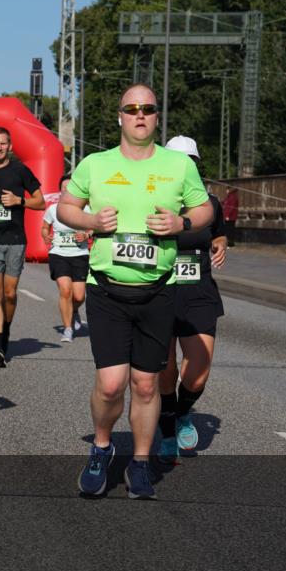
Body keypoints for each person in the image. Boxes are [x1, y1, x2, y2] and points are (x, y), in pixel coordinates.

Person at [57, 83, 213, 499]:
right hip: (107, 290)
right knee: (111, 384)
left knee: (146, 385)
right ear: (120, 116)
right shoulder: (95, 164)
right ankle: (102, 448)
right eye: (132, 109)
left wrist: (181, 224)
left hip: (158, 290)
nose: (140, 115)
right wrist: (91, 223)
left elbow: (204, 209)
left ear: (157, 117)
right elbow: (64, 207)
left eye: (148, 109)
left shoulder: (179, 166)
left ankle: (140, 463)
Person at [157, 136, 228, 464]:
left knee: (199, 367)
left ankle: (180, 412)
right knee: (166, 365)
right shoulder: (154, 199)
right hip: (160, 288)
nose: (186, 166)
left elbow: (219, 231)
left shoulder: (210, 203)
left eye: (192, 161)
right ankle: (168, 429)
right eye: (179, 160)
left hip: (198, 290)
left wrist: (221, 242)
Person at [0, 127, 45, 366]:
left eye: (3, 144)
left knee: (9, 294)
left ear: (10, 146)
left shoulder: (20, 170)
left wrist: (18, 200)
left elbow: (40, 201)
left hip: (14, 240)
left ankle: (5, 331)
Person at [42, 175, 91, 343]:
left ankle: (74, 311)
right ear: (60, 190)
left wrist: (86, 234)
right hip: (58, 254)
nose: (67, 190)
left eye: (70, 188)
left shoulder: (86, 209)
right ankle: (68, 329)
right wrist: (45, 236)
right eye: (64, 188)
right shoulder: (53, 209)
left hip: (80, 255)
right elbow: (44, 227)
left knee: (78, 297)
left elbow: (93, 228)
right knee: (65, 290)